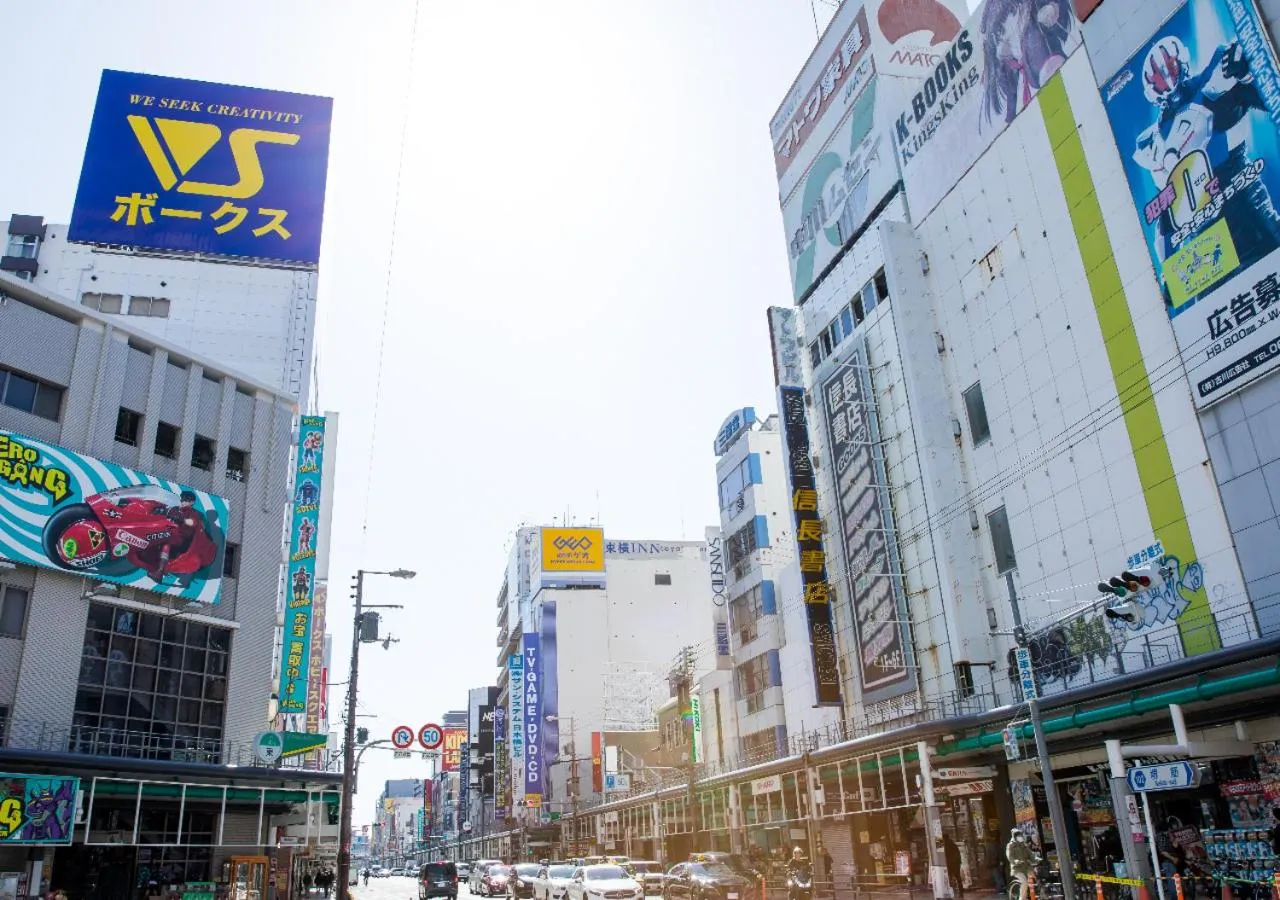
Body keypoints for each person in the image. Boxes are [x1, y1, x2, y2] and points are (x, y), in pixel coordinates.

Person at [1006, 829, 1036, 900]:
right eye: (1018, 836)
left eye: (1020, 835)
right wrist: (1015, 861)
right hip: (1017, 868)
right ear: (1015, 837)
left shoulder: (1024, 845)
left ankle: (1038, 894)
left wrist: (1036, 859)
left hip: (1027, 867)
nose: (1020, 837)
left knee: (1038, 878)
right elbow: (1009, 856)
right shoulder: (1010, 845)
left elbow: (1030, 854)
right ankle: (1022, 898)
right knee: (1024, 882)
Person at [943, 834, 964, 899]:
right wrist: (959, 862)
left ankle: (952, 893)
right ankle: (961, 893)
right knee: (958, 878)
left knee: (950, 879)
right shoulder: (954, 845)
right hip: (956, 864)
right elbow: (958, 854)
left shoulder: (945, 846)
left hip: (949, 864)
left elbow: (945, 856)